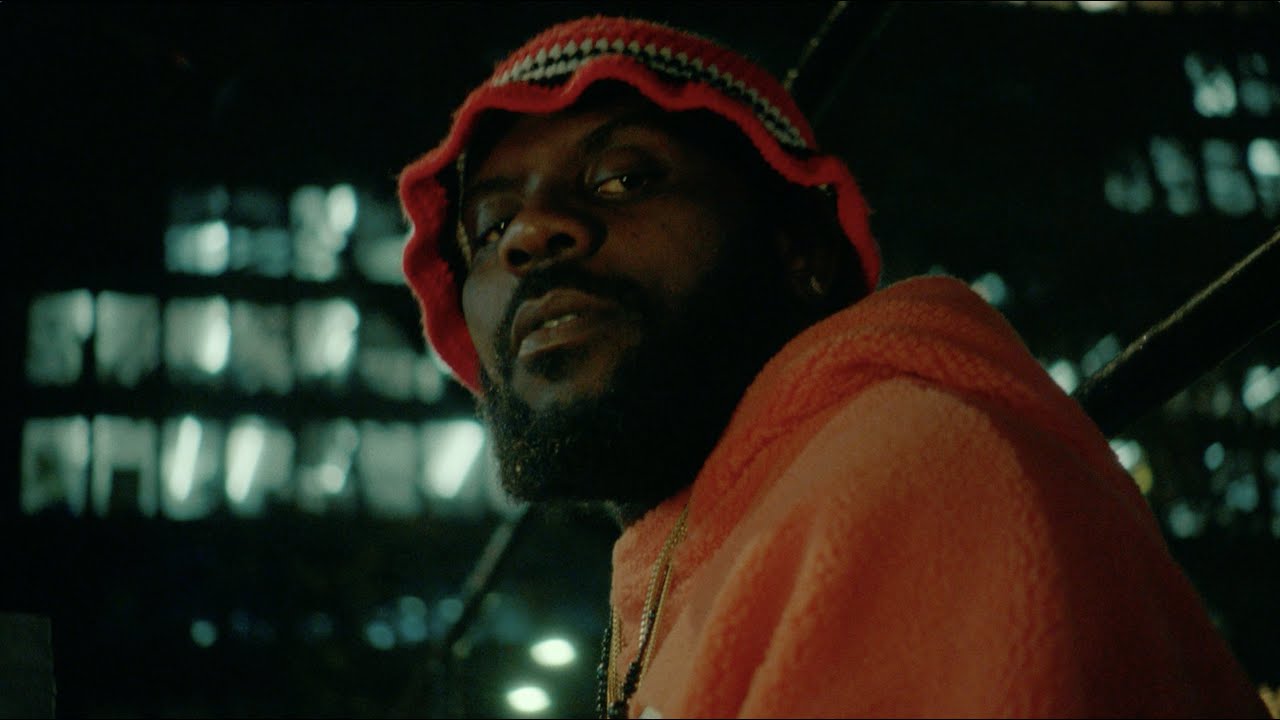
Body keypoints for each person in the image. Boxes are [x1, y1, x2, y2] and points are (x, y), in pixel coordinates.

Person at [398, 15, 1270, 719]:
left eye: (623, 179)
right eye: (488, 227)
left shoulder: (908, 472)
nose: (528, 234)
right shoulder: (708, 542)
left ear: (802, 255)